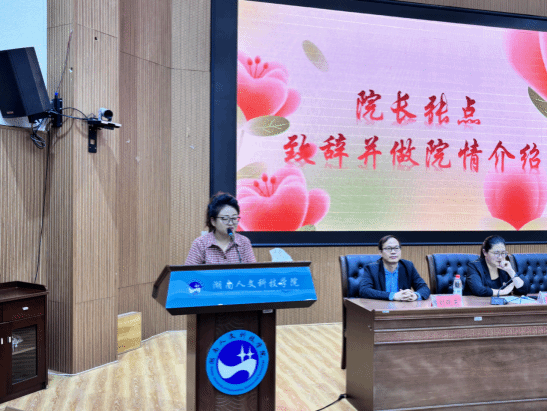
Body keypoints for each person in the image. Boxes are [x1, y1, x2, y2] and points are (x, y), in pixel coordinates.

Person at [185, 192, 256, 265]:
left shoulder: (243, 242)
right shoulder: (200, 244)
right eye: (225, 218)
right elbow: (189, 271)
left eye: (234, 218)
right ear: (213, 221)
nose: (231, 223)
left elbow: (253, 270)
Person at [359, 235, 430, 301]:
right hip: (380, 307)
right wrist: (393, 296)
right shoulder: (372, 269)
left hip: (403, 308)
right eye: (388, 248)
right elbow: (364, 291)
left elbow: (424, 288)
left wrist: (415, 295)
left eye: (396, 248)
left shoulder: (408, 266)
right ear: (380, 253)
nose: (393, 252)